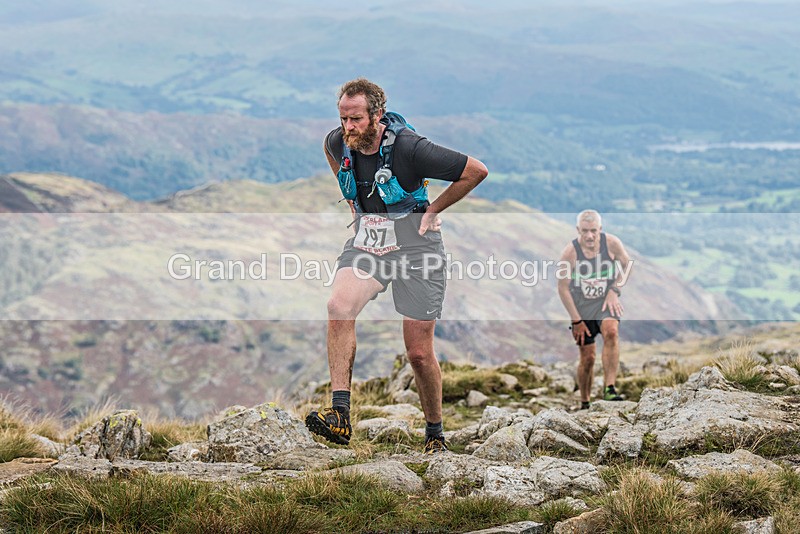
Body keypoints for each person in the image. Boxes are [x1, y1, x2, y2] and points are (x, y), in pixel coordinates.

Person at [305, 78, 488, 453]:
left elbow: (476, 171)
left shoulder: (410, 148)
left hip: (417, 247)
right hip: (370, 242)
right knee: (338, 306)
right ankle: (340, 415)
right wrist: (355, 205)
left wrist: (434, 209)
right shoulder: (336, 142)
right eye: (343, 119)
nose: (347, 128)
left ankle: (435, 433)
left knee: (418, 354)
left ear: (377, 115)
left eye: (355, 119)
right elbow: (335, 158)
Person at [557, 209, 632, 409]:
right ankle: (585, 401)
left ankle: (610, 389)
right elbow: (563, 288)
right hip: (582, 307)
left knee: (611, 331)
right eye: (584, 231)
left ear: (600, 229)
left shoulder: (612, 244)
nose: (589, 236)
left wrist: (614, 290)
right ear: (577, 230)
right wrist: (576, 320)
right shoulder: (570, 253)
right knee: (587, 357)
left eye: (593, 231)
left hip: (606, 301)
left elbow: (627, 265)